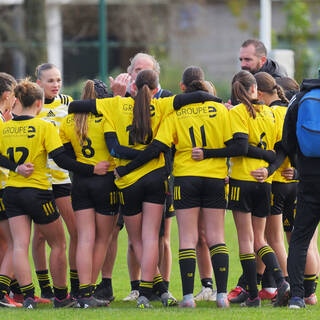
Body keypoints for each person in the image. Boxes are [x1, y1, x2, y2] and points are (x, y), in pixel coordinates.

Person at [115, 66, 233, 308]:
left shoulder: (175, 114)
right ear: (204, 83)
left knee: (187, 238)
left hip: (185, 179)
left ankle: (188, 298)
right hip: (215, 179)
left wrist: (127, 168)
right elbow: (236, 145)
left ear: (182, 87)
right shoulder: (221, 110)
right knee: (216, 237)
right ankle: (222, 295)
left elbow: (156, 148)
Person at [0, 79, 109, 309]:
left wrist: (15, 167)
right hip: (38, 193)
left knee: (20, 244)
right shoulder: (44, 126)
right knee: (59, 243)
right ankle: (61, 297)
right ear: (39, 104)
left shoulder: (5, 127)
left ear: (18, 101)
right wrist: (91, 169)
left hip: (11, 192)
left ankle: (28, 297)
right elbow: (61, 159)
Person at [96, 52, 175, 303]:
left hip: (137, 179)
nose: (138, 73)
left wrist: (128, 168)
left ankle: (155, 288)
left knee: (155, 238)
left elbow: (116, 147)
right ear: (129, 73)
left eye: (144, 70)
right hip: (149, 177)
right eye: (136, 69)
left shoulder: (162, 101)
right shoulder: (152, 105)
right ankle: (147, 289)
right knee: (140, 237)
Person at [227, 70, 289, 307]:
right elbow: (278, 150)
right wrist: (269, 166)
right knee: (260, 239)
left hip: (242, 179)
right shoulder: (269, 113)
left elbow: (239, 147)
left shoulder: (238, 112)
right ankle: (282, 282)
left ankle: (252, 296)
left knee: (246, 239)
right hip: (265, 182)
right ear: (255, 89)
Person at [59, 79, 117, 308]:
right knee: (103, 238)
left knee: (84, 238)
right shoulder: (106, 117)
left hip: (81, 183)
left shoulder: (67, 120)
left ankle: (82, 294)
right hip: (106, 182)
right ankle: (89, 293)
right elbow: (115, 149)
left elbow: (62, 158)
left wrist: (86, 168)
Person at [33, 63, 79, 299]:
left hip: (62, 178)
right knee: (40, 236)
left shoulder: (67, 102)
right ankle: (46, 289)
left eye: (58, 80)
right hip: (40, 181)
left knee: (76, 231)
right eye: (50, 80)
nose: (55, 84)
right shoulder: (31, 106)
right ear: (38, 82)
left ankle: (75, 285)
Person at [282, 76, 320, 308]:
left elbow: (287, 140)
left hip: (309, 178)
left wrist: (300, 165)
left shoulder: (299, 98)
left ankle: (297, 296)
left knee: (299, 239)